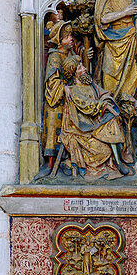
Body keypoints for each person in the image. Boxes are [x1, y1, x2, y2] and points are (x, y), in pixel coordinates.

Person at [58, 56, 131, 178]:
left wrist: (106, 101)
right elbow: (87, 104)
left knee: (112, 121)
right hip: (83, 129)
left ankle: (119, 162)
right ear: (74, 73)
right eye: (80, 67)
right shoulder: (74, 90)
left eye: (83, 65)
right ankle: (118, 162)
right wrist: (105, 106)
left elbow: (103, 94)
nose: (85, 69)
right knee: (105, 148)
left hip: (96, 123)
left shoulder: (90, 84)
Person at [41, 21, 77, 176]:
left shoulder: (71, 55)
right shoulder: (55, 57)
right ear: (59, 40)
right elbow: (52, 80)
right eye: (66, 37)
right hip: (56, 100)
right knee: (54, 129)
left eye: (70, 36)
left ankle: (67, 160)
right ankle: (50, 164)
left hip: (69, 98)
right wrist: (63, 87)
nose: (70, 39)